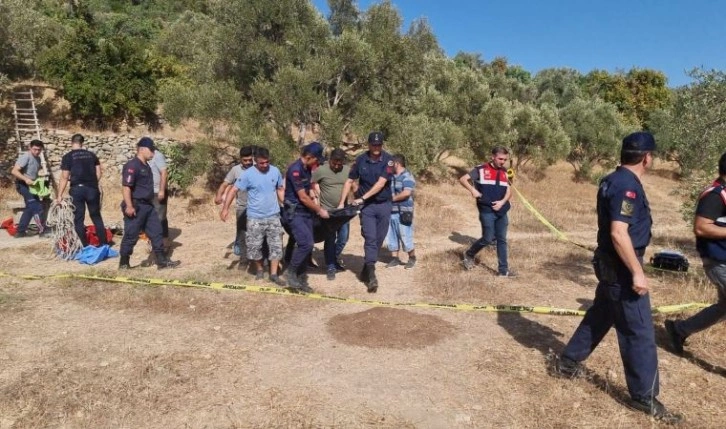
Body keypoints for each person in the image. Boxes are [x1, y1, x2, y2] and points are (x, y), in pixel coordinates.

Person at [556, 132, 681, 424]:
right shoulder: (627, 186)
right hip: (622, 264)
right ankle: (643, 396)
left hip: (612, 262)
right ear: (647, 157)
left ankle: (568, 361)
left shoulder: (613, 178)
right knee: (639, 330)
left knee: (602, 314)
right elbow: (618, 232)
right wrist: (637, 272)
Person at [665, 151, 726, 356]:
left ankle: (679, 330)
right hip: (719, 261)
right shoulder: (715, 195)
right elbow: (701, 227)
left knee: (723, 308)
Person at [220, 147, 286, 286]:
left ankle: (273, 274)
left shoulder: (275, 171)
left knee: (276, 246)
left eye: (267, 162)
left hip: (273, 216)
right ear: (255, 161)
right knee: (254, 248)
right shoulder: (247, 174)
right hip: (255, 218)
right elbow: (234, 190)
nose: (265, 165)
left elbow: (280, 189)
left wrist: (285, 205)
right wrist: (225, 208)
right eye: (261, 163)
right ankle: (260, 269)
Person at [340, 131, 394, 293]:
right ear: (369, 145)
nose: (376, 147)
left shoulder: (389, 160)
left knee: (379, 239)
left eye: (379, 144)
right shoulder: (361, 160)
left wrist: (362, 197)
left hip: (384, 204)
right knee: (370, 237)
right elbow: (350, 180)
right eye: (373, 144)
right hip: (368, 207)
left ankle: (366, 266)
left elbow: (381, 183)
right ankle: (371, 276)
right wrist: (342, 201)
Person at [119, 137, 180, 270]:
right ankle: (124, 262)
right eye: (151, 150)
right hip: (136, 205)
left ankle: (162, 261)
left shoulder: (146, 166)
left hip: (148, 205)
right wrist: (129, 206)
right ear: (142, 149)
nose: (153, 153)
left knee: (157, 232)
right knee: (131, 234)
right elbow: (126, 187)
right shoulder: (132, 165)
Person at [459, 146, 515, 277]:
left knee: (501, 240)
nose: (502, 162)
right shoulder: (481, 169)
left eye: (505, 159)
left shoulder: (506, 172)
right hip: (486, 210)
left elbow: (509, 190)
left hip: (502, 211)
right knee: (487, 238)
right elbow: (463, 179)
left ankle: (503, 270)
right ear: (493, 157)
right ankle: (469, 254)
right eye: (500, 159)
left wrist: (502, 202)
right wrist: (473, 190)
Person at [283, 142, 329, 291]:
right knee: (306, 244)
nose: (317, 164)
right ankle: (291, 273)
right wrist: (319, 209)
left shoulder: (307, 169)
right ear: (309, 157)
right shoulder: (295, 170)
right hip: (295, 212)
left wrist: (313, 194)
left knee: (308, 246)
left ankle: (302, 280)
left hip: (306, 212)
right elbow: (302, 197)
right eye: (316, 160)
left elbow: (307, 190)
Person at [55, 133, 107, 247]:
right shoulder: (92, 155)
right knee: (96, 216)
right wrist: (93, 182)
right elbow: (99, 172)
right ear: (82, 143)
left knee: (79, 218)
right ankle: (104, 244)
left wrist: (59, 195)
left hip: (77, 189)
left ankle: (85, 246)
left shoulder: (68, 157)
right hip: (92, 189)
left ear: (71, 142)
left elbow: (64, 177)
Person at [312, 148, 351, 281]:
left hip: (342, 211)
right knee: (330, 238)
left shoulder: (347, 170)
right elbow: (313, 183)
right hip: (327, 211)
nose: (336, 166)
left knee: (344, 237)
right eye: (334, 163)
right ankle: (330, 266)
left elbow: (351, 184)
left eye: (339, 164)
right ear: (330, 160)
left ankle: (333, 258)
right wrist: (318, 195)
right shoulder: (321, 170)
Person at [215, 145, 255, 257]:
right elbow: (225, 183)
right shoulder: (235, 170)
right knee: (241, 229)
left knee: (254, 230)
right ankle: (240, 248)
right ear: (240, 159)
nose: (248, 162)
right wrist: (219, 195)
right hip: (242, 206)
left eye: (250, 160)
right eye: (245, 160)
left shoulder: (258, 168)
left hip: (257, 206)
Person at [10, 139, 47, 238]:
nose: (37, 152)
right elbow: (14, 171)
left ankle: (20, 232)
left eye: (39, 150)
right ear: (30, 148)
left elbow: (34, 173)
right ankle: (42, 231)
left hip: (32, 186)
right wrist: (25, 179)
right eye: (35, 149)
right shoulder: (25, 157)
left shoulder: (38, 159)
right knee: (36, 206)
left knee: (30, 208)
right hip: (22, 184)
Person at [385, 154, 416, 269]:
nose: (390, 165)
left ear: (397, 163)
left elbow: (406, 193)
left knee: (405, 236)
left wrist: (390, 199)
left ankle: (412, 257)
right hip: (391, 211)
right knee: (391, 236)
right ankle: (395, 259)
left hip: (403, 212)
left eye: (392, 163)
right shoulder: (391, 176)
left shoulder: (407, 176)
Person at [149, 146, 170, 250]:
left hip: (158, 192)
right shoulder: (148, 158)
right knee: (155, 218)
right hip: (150, 192)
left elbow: (164, 172)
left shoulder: (158, 156)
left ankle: (163, 243)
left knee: (160, 218)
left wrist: (161, 190)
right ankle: (158, 241)